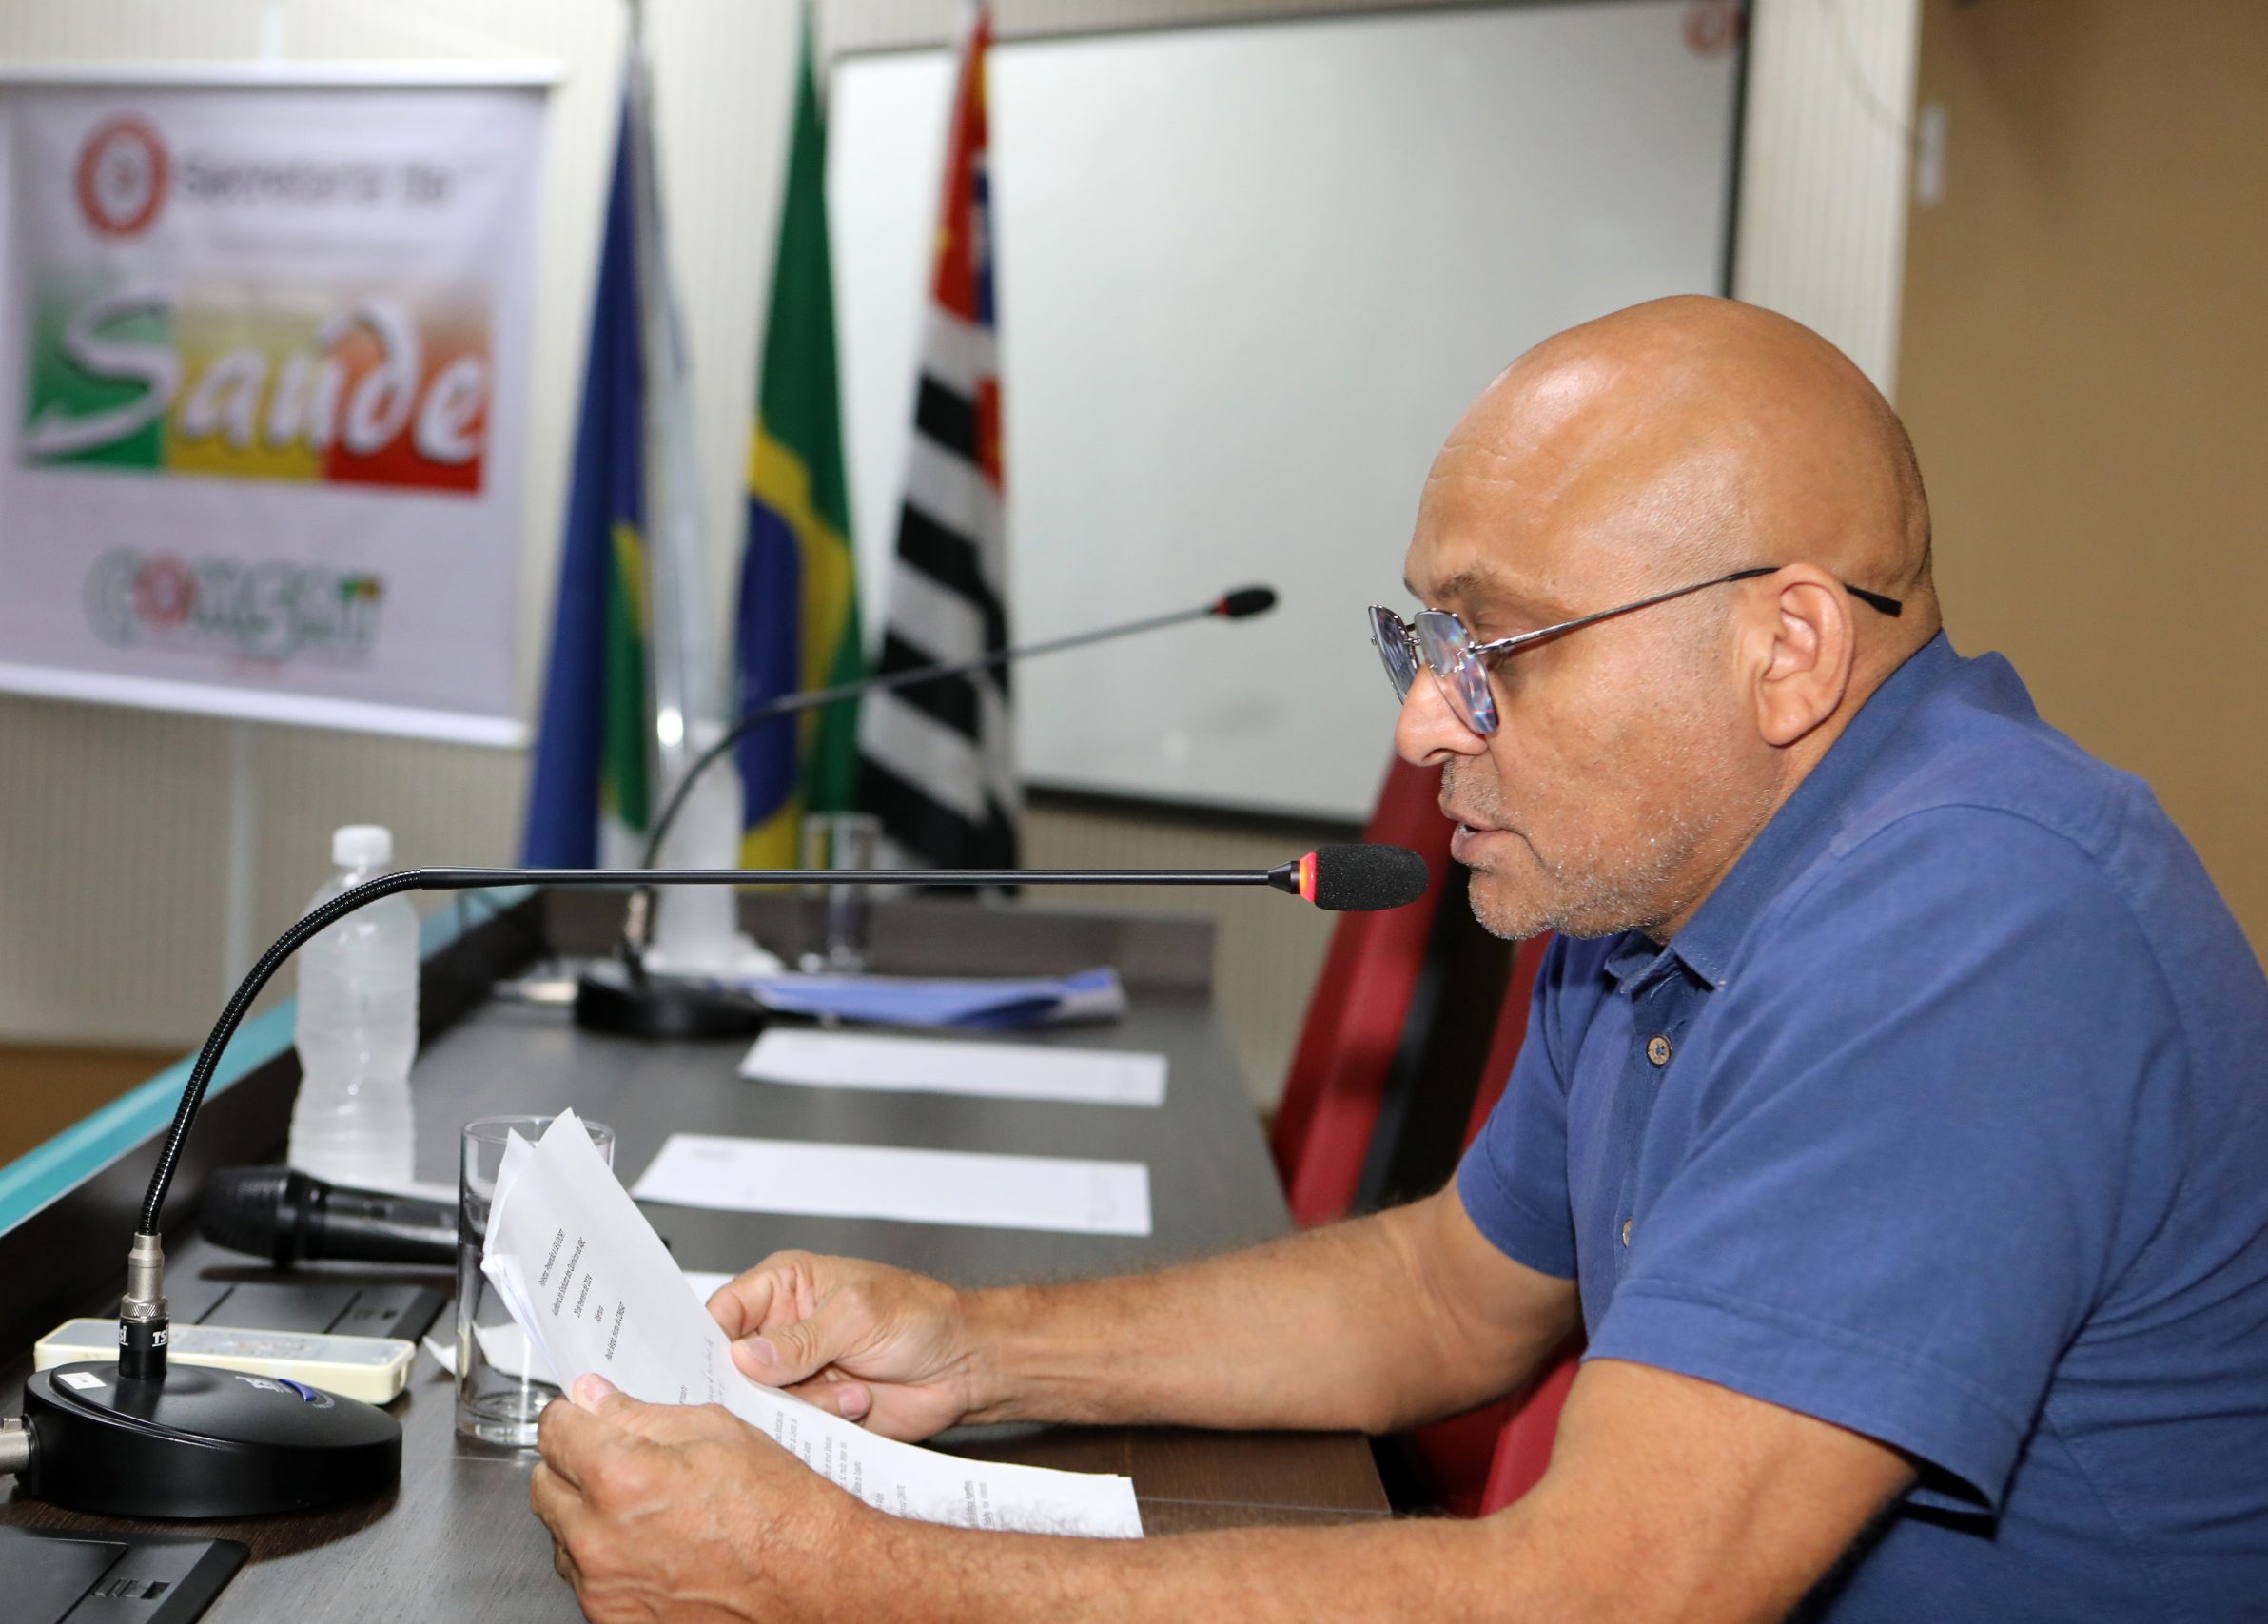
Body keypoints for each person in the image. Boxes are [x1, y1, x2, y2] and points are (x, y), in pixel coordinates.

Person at [527, 297, 2268, 1622]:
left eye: (1493, 643)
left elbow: (1607, 1594)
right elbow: (1449, 1297)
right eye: (1420, 641)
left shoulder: (1979, 921)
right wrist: (974, 1347)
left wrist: (846, 1573)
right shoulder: (1667, 892)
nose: (1427, 722)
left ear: (1788, 648)